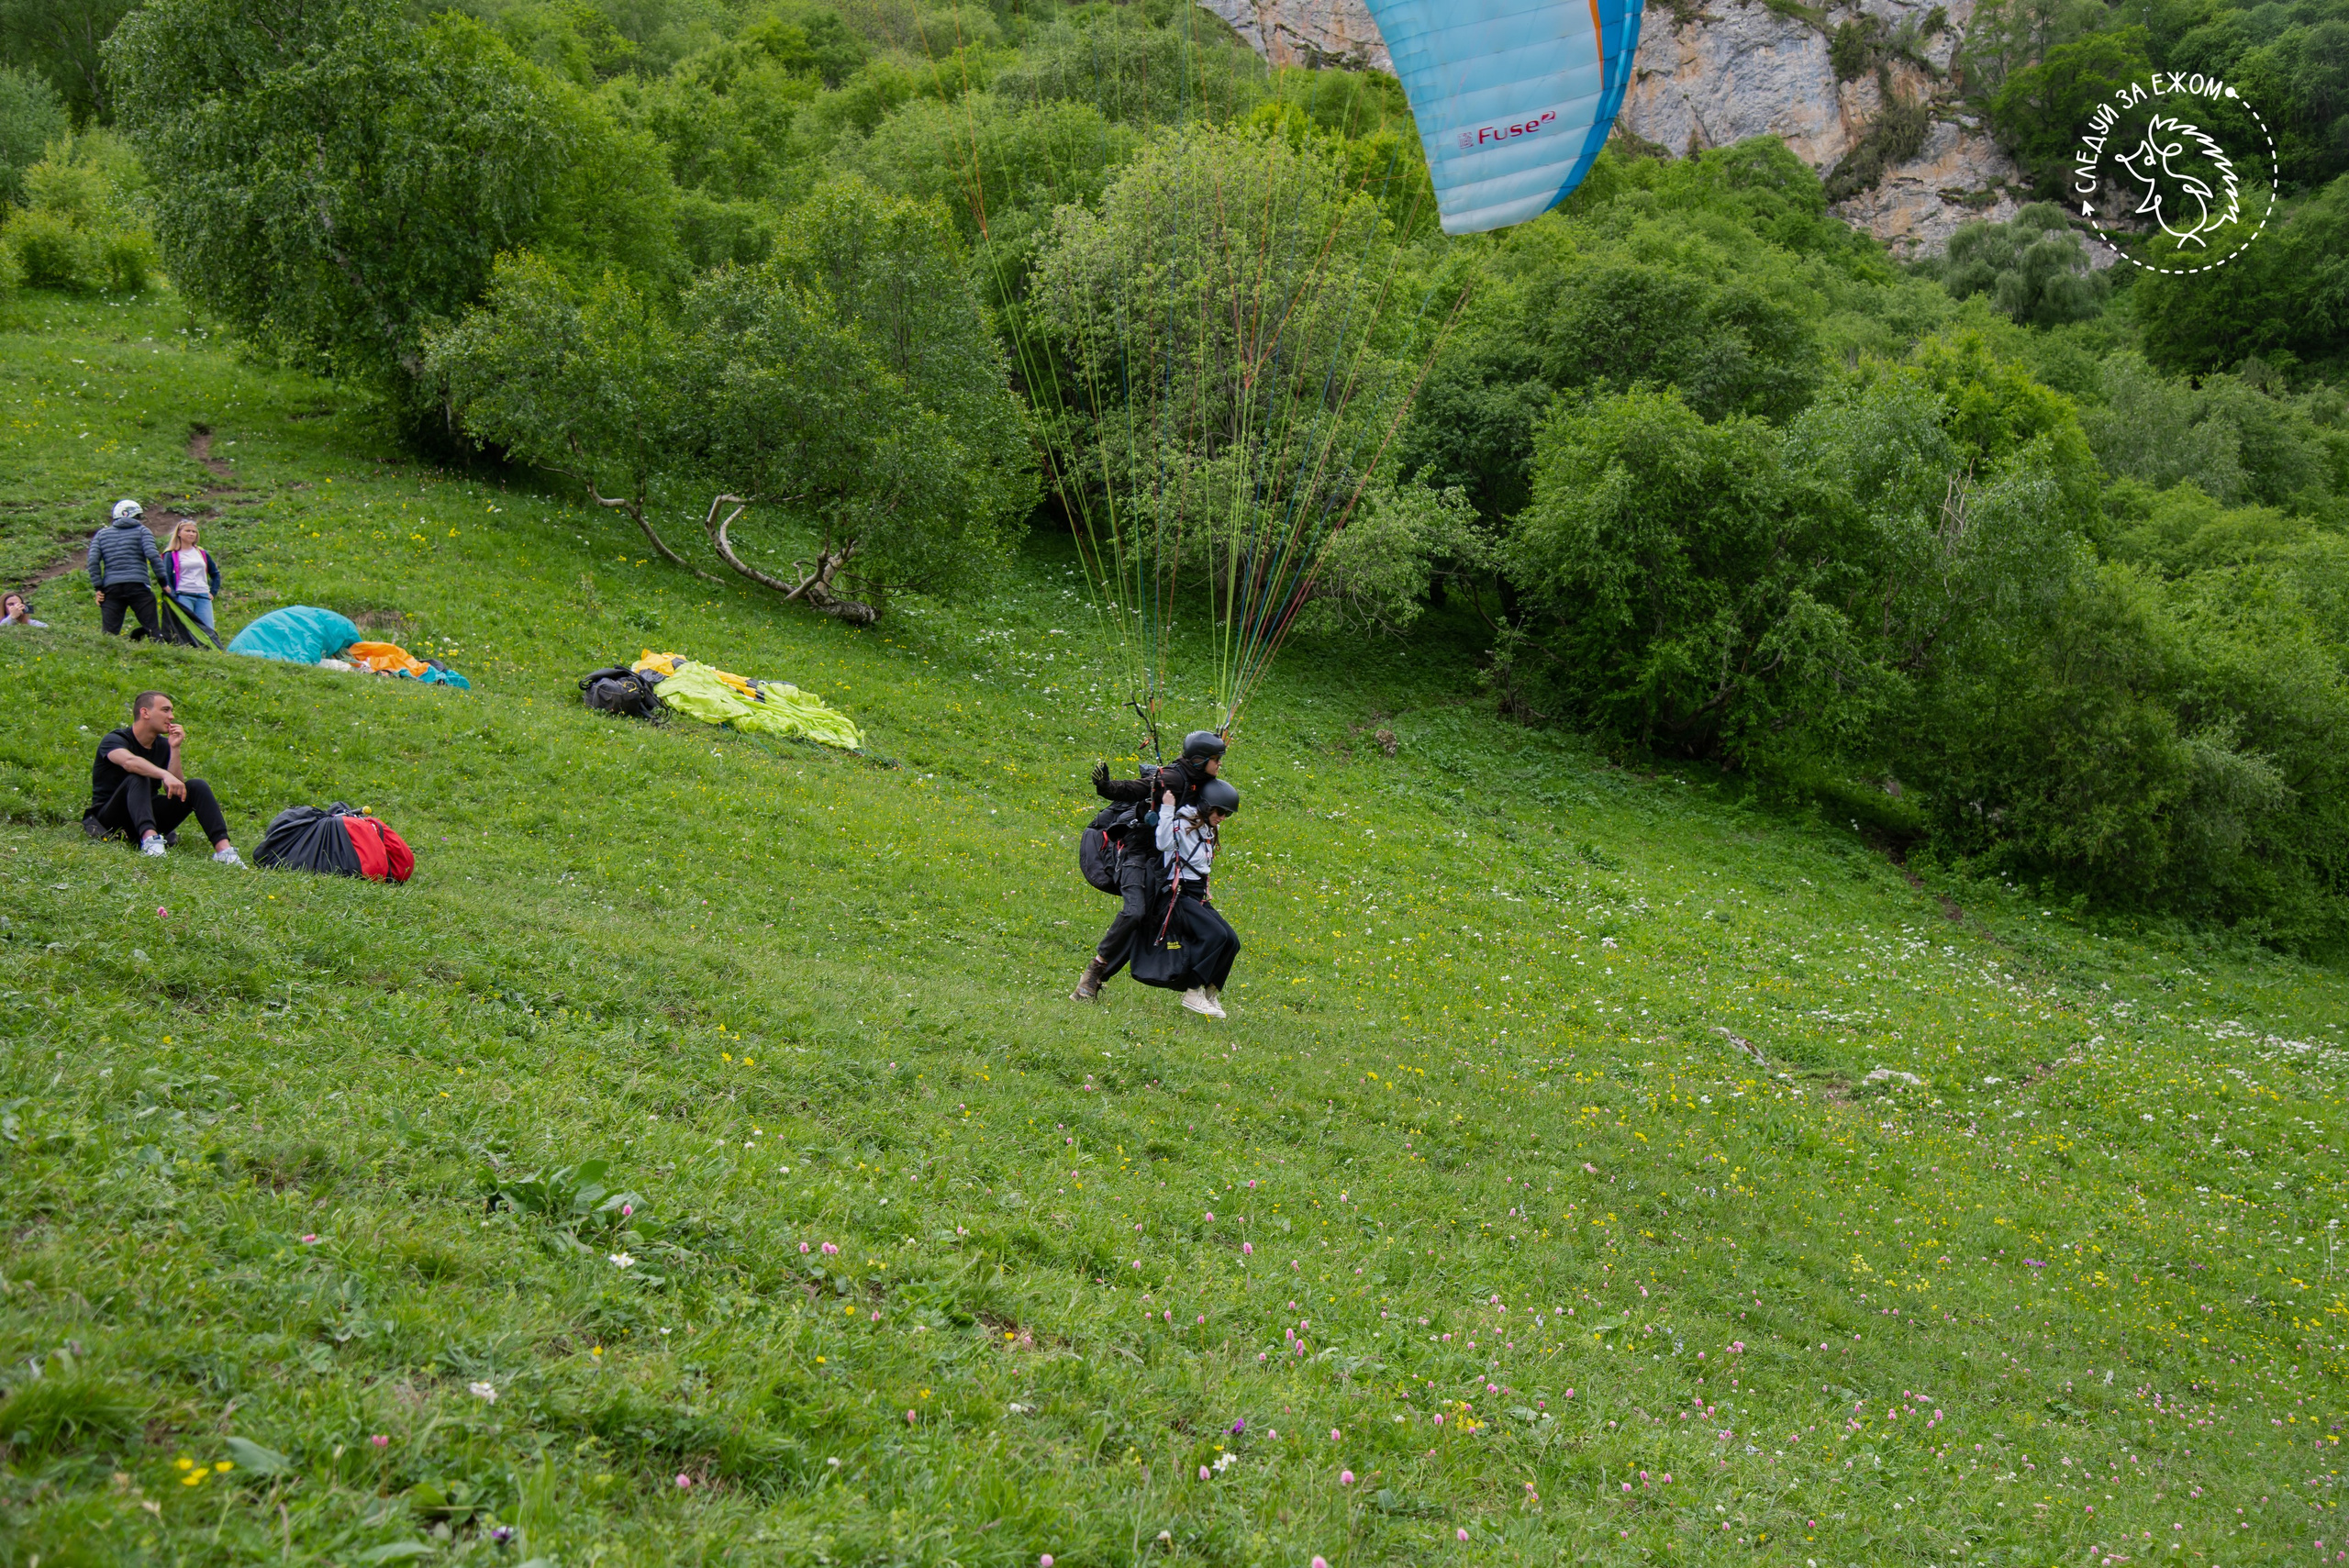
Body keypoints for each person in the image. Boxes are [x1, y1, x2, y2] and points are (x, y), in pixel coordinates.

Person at [1072, 729, 1229, 1001]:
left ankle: (1184, 977)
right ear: (1199, 760)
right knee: (1135, 913)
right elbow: (1140, 787)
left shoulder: (1202, 781)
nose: (1220, 764)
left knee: (1152, 918)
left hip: (1163, 861)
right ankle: (1093, 973)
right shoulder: (1173, 778)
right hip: (1137, 854)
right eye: (1216, 758)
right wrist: (1108, 787)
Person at [83, 690, 244, 865]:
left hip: (146, 814)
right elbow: (130, 762)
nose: (172, 716)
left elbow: (176, 790)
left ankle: (225, 852)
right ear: (145, 712)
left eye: (171, 711)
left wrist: (174, 748)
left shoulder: (162, 745)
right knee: (138, 776)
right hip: (111, 819)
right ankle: (150, 842)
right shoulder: (114, 740)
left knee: (196, 786)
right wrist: (163, 773)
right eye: (165, 710)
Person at [1151, 776, 1242, 1018]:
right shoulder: (1181, 820)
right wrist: (1167, 809)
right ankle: (1192, 992)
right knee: (1215, 935)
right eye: (1220, 811)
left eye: (1227, 815)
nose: (1222, 818)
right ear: (1205, 805)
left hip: (1198, 893)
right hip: (1179, 895)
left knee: (1232, 941)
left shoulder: (1205, 825)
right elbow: (1162, 844)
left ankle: (1210, 992)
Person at [88, 498, 165, 639]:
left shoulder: (101, 535)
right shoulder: (142, 531)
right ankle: (159, 652)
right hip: (138, 585)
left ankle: (108, 658)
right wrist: (163, 582)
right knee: (152, 630)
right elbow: (153, 556)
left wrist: (98, 588)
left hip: (111, 588)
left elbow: (93, 561)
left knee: (109, 635)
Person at [161, 518, 221, 634]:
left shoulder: (202, 553)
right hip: (183, 595)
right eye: (188, 531)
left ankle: (209, 651)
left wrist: (213, 591)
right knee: (186, 628)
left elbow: (215, 573)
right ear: (179, 533)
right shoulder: (171, 555)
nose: (191, 534)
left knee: (208, 629)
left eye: (194, 531)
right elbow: (166, 577)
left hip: (203, 595)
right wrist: (173, 596)